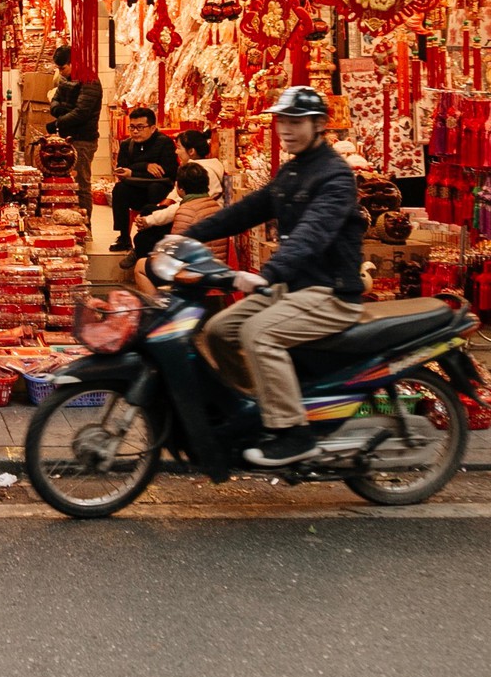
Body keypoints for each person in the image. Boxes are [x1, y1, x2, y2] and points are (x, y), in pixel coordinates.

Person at [182, 86, 366, 468]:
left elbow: (311, 235)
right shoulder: (293, 169)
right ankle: (252, 407)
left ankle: (292, 431)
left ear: (319, 125)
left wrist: (266, 274)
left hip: (329, 292)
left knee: (257, 334)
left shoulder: (335, 176)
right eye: (282, 120)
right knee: (218, 330)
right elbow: (249, 209)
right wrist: (188, 235)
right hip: (291, 289)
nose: (286, 129)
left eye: (295, 121)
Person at [130, 161, 219, 296]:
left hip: (192, 270)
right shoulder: (216, 206)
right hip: (214, 266)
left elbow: (177, 252)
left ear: (180, 189)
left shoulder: (186, 211)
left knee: (140, 267)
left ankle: (160, 307)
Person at [108, 106, 178, 252]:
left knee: (155, 189)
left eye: (140, 127)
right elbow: (122, 170)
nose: (135, 131)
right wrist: (145, 166)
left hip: (160, 190)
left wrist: (133, 172)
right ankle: (124, 237)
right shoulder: (127, 144)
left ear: (152, 128)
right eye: (132, 127)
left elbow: (168, 172)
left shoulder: (164, 143)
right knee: (119, 190)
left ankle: (151, 235)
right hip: (136, 189)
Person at [45, 45, 102, 220]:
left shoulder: (90, 81)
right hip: (65, 137)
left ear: (74, 63)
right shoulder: (65, 79)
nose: (60, 72)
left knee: (80, 184)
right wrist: (58, 111)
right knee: (63, 182)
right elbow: (54, 100)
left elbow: (81, 113)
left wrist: (58, 121)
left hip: (83, 140)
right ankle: (65, 221)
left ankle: (85, 225)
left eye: (63, 68)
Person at [175, 128, 231, 206]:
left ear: (191, 151)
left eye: (178, 148)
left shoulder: (199, 171)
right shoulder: (194, 168)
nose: (176, 151)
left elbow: (191, 201)